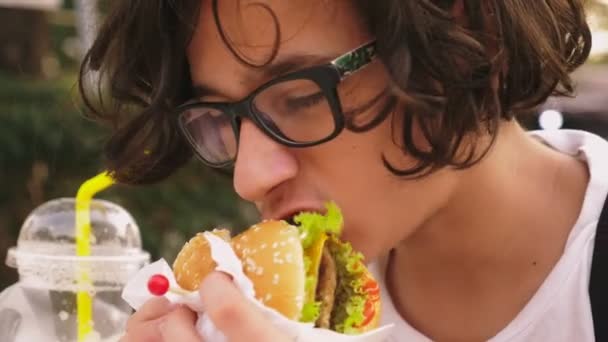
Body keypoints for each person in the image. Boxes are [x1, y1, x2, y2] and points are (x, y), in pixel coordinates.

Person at [79, 0, 608, 341]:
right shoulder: (276, 314)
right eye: (222, 118)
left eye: (300, 95)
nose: (250, 178)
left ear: (471, 40)